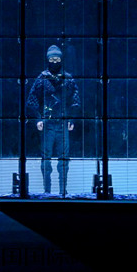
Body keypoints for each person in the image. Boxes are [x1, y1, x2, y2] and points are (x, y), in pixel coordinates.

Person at [26, 45, 80, 195]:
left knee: (64, 160)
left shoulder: (68, 79)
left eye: (57, 59)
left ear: (61, 59)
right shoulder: (42, 78)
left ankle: (63, 191)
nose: (55, 62)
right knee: (46, 159)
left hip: (63, 123)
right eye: (52, 59)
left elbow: (75, 101)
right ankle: (47, 191)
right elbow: (32, 100)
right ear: (48, 60)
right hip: (47, 123)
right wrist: (38, 119)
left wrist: (72, 119)